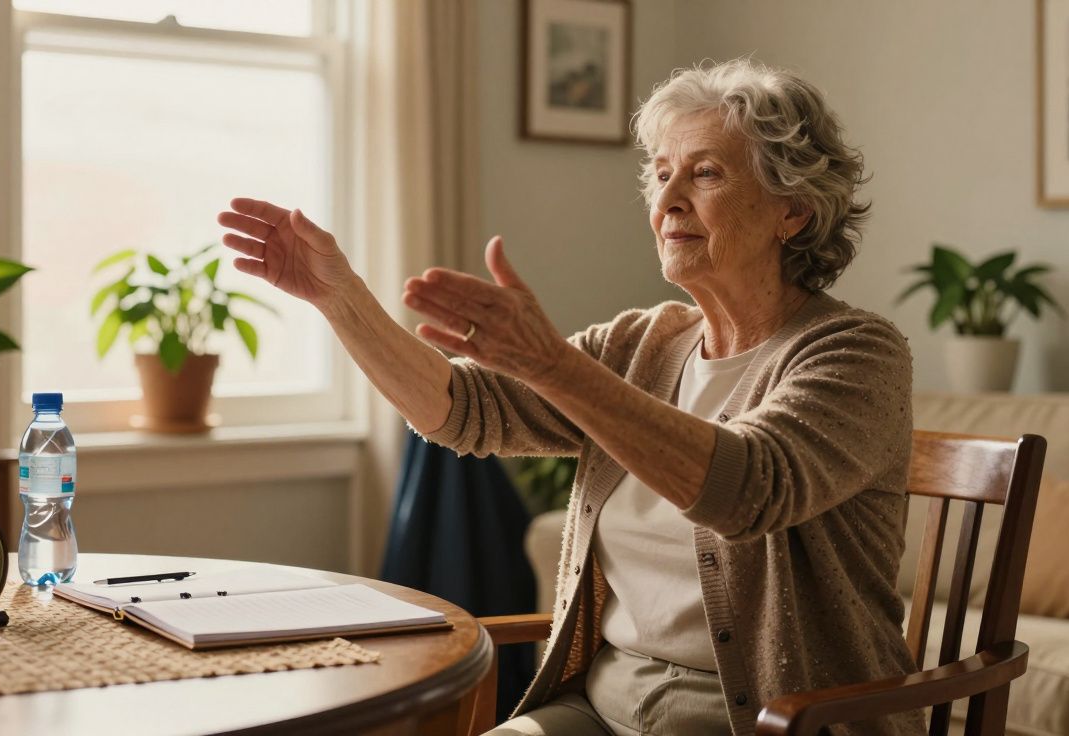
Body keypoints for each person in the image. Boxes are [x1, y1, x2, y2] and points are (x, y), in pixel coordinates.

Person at [218, 58, 922, 736]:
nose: (669, 200)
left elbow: (748, 490)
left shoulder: (856, 354)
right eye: (660, 173)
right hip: (601, 709)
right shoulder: (643, 343)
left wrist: (552, 365)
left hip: (766, 719)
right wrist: (341, 300)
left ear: (791, 212)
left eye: (705, 173)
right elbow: (463, 410)